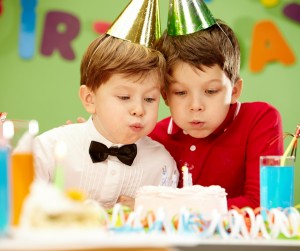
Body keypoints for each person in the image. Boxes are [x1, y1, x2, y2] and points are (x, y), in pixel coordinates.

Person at [33, 0, 178, 210]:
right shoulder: (47, 150)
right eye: (124, 97)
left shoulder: (162, 164)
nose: (139, 109)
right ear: (89, 99)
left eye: (149, 99)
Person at [149, 0, 284, 209]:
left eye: (211, 91)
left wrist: (172, 208)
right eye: (180, 92)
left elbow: (265, 204)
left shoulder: (259, 119)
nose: (196, 105)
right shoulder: (155, 137)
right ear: (165, 96)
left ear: (235, 91)